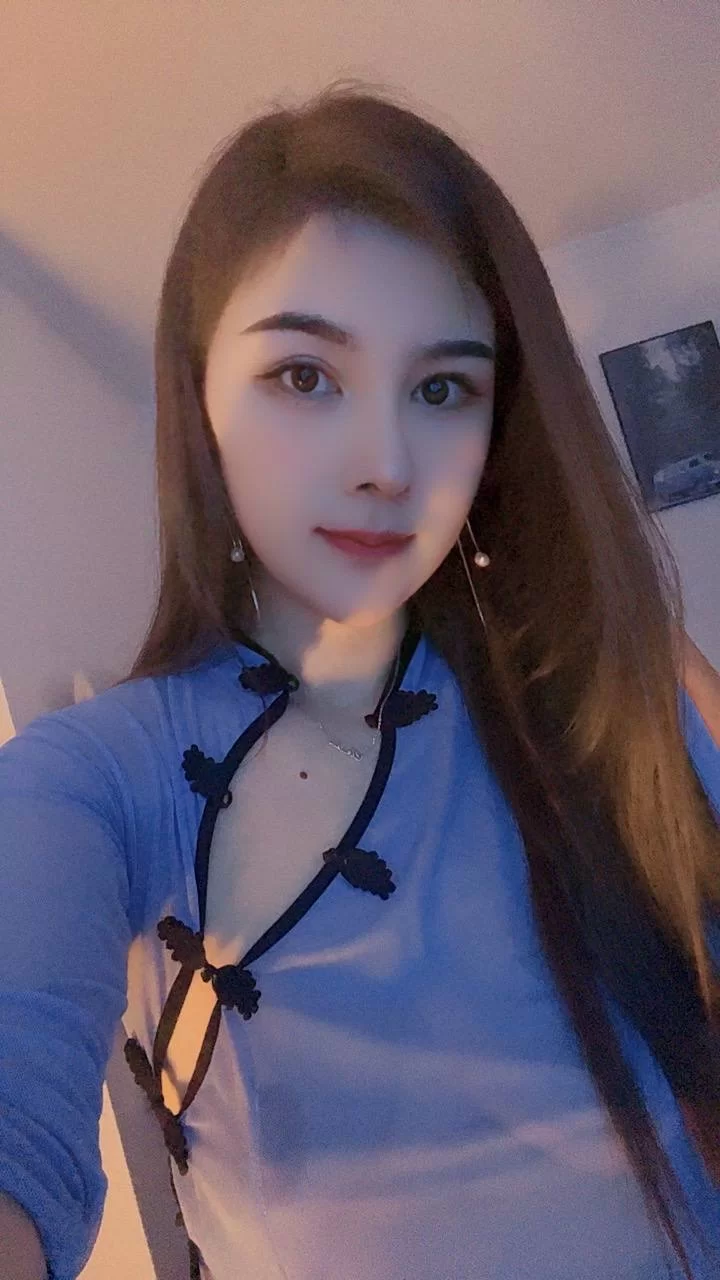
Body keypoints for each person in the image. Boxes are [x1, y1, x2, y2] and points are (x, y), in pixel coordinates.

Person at [1, 78, 720, 1280]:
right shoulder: (102, 775)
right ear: (197, 401)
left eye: (442, 388)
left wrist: (635, 643)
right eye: (304, 375)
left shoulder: (606, 688)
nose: (387, 462)